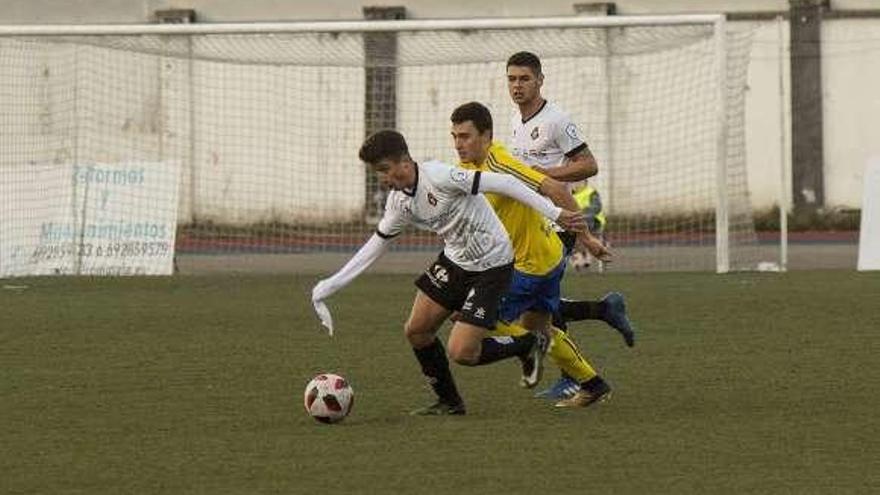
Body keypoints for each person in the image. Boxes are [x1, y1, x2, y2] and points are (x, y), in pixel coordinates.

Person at [310, 129, 586, 416]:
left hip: (493, 264)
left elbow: (504, 182)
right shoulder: (399, 201)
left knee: (462, 353)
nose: (382, 178)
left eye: (384, 169)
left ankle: (528, 342)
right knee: (416, 331)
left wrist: (555, 213)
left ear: (405, 161)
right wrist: (328, 286)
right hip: (455, 261)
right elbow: (376, 245)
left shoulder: (440, 176)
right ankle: (450, 402)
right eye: (377, 172)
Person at [450, 101, 613, 408]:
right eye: (455, 136)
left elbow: (557, 189)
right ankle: (594, 384)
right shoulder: (466, 168)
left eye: (466, 136)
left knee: (467, 317)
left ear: (486, 136)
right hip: (542, 257)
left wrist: (587, 238)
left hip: (530, 264)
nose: (459, 144)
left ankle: (530, 345)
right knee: (541, 325)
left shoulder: (502, 164)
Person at [506, 51, 636, 400]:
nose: (517, 86)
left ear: (540, 81)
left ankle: (573, 376)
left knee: (530, 308)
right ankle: (604, 310)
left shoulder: (557, 120)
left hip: (557, 222)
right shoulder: (515, 122)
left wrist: (546, 177)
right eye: (512, 79)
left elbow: (588, 165)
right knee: (537, 306)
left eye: (524, 79)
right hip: (531, 223)